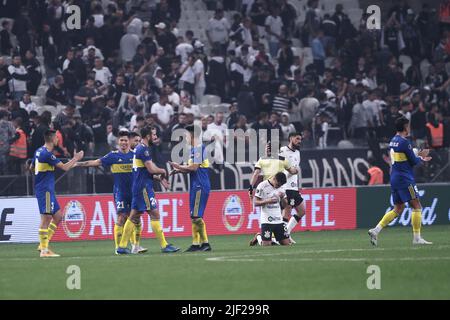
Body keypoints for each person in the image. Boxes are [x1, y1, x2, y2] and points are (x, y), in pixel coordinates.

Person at [76, 131, 146, 254]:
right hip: (120, 192)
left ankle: (136, 246)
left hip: (134, 192)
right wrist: (76, 164)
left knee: (136, 218)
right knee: (121, 217)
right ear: (118, 142)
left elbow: (145, 171)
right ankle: (119, 248)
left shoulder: (135, 155)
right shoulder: (112, 156)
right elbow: (94, 162)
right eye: (121, 140)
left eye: (125, 140)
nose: (123, 142)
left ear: (129, 142)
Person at [368, 117, 432, 246]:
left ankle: (376, 230)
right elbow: (414, 162)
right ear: (405, 127)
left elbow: (404, 158)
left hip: (395, 178)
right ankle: (417, 238)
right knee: (417, 206)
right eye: (408, 126)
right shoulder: (404, 142)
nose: (409, 128)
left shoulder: (393, 141)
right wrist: (421, 157)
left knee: (398, 208)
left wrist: (416, 155)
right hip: (405, 179)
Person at [116, 126, 179, 254]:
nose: (155, 137)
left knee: (134, 216)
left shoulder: (141, 149)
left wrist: (158, 178)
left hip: (141, 186)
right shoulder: (143, 150)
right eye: (154, 135)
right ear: (148, 136)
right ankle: (164, 245)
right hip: (143, 187)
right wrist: (162, 171)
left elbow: (144, 171)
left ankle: (122, 247)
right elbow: (151, 169)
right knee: (153, 214)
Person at [31, 129, 84, 257]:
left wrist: (42, 174)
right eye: (56, 138)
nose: (58, 139)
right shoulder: (48, 154)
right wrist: (76, 158)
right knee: (46, 218)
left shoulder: (39, 151)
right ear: (53, 139)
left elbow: (31, 167)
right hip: (45, 190)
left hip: (44, 188)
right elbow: (65, 167)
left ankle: (43, 244)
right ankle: (44, 250)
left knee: (58, 216)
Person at [169, 125, 212, 252]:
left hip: (200, 185)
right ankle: (195, 243)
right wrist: (178, 170)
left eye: (186, 135)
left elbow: (193, 168)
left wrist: (179, 166)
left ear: (192, 135)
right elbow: (191, 169)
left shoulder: (199, 148)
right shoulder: (194, 150)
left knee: (196, 216)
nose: (185, 138)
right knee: (194, 216)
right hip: (195, 185)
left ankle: (205, 243)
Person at [279, 132, 306, 243]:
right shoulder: (282, 150)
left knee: (302, 211)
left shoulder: (298, 153)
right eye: (297, 139)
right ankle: (282, 236)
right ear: (291, 138)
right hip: (286, 187)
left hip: (294, 187)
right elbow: (278, 167)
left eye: (300, 139)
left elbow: (295, 170)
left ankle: (287, 233)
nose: (299, 141)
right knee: (287, 210)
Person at [253, 171, 291, 246]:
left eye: (280, 185)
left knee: (286, 244)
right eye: (277, 185)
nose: (278, 187)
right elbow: (255, 203)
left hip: (278, 220)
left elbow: (284, 205)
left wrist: (283, 198)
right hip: (267, 220)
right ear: (274, 178)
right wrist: (268, 201)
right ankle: (259, 237)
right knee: (266, 245)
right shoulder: (262, 185)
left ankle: (271, 239)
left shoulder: (282, 188)